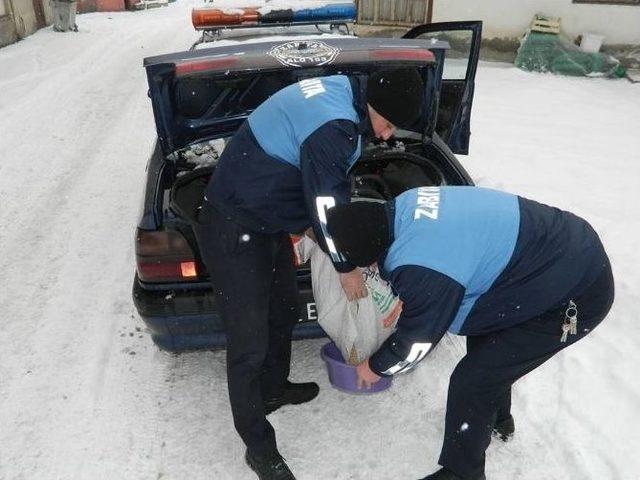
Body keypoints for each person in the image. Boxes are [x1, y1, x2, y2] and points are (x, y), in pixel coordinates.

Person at [194, 68, 426, 480]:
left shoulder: (346, 91)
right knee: (248, 342)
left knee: (283, 308)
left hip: (265, 219)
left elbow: (311, 182)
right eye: (388, 124)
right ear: (375, 105)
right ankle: (258, 446)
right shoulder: (335, 127)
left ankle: (273, 389)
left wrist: (313, 232)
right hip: (232, 223)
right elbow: (326, 209)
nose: (388, 137)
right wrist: (346, 266)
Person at [326, 186, 614, 480]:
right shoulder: (407, 204)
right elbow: (446, 259)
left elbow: (418, 342)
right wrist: (418, 295)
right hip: (557, 248)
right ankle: (497, 419)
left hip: (577, 291)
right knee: (487, 338)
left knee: (473, 379)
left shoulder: (423, 265)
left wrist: (375, 367)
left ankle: (463, 473)